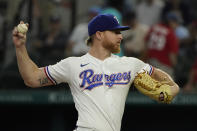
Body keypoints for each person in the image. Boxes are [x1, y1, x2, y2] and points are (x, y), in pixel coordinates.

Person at [12, 14, 179, 131]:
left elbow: (163, 78)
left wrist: (171, 88)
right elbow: (32, 78)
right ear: (99, 34)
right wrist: (20, 47)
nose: (120, 36)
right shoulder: (73, 64)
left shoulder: (131, 64)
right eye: (115, 32)